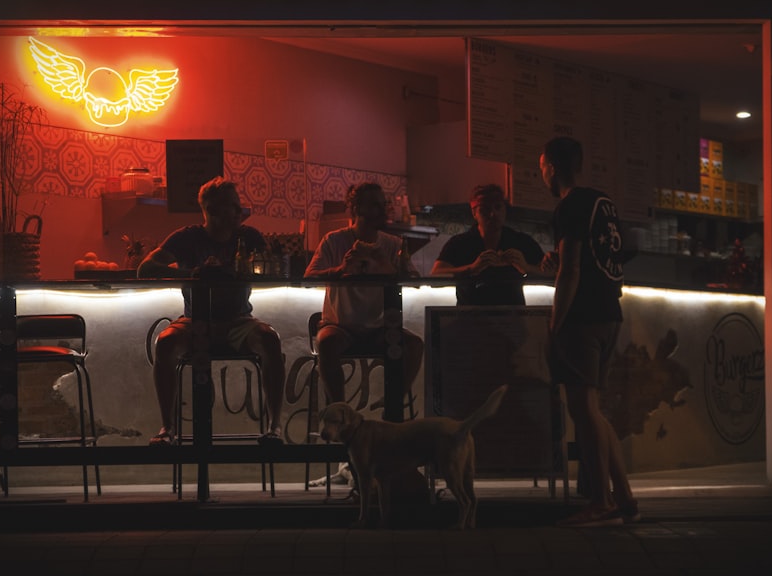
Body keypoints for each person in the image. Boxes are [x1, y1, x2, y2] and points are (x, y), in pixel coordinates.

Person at [137, 176, 285, 445]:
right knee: (166, 342)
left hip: (239, 320)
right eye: (233, 206)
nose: (240, 212)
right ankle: (166, 429)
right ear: (212, 211)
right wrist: (193, 273)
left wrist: (243, 271)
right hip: (196, 319)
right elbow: (145, 269)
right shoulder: (187, 237)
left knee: (270, 339)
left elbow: (271, 267)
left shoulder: (248, 237)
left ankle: (275, 428)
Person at [539, 136, 639, 527]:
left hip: (581, 319)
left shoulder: (567, 206)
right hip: (610, 314)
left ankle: (600, 501)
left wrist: (554, 323)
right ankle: (624, 497)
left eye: (541, 166)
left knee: (583, 411)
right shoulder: (603, 201)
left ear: (549, 165)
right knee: (595, 411)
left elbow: (572, 270)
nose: (541, 173)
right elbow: (597, 258)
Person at [304, 182, 425, 484]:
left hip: (379, 326)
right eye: (373, 205)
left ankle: (391, 416)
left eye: (382, 204)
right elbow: (307, 278)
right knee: (327, 342)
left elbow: (414, 280)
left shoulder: (392, 244)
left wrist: (390, 270)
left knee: (414, 346)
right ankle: (342, 415)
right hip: (340, 323)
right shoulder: (335, 241)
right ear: (355, 209)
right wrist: (340, 271)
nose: (380, 211)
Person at [431, 183, 552, 305]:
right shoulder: (460, 243)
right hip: (470, 318)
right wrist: (472, 268)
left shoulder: (520, 241)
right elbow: (436, 275)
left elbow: (551, 274)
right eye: (485, 209)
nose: (493, 214)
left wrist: (526, 267)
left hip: (512, 317)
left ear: (505, 209)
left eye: (498, 207)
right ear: (474, 213)